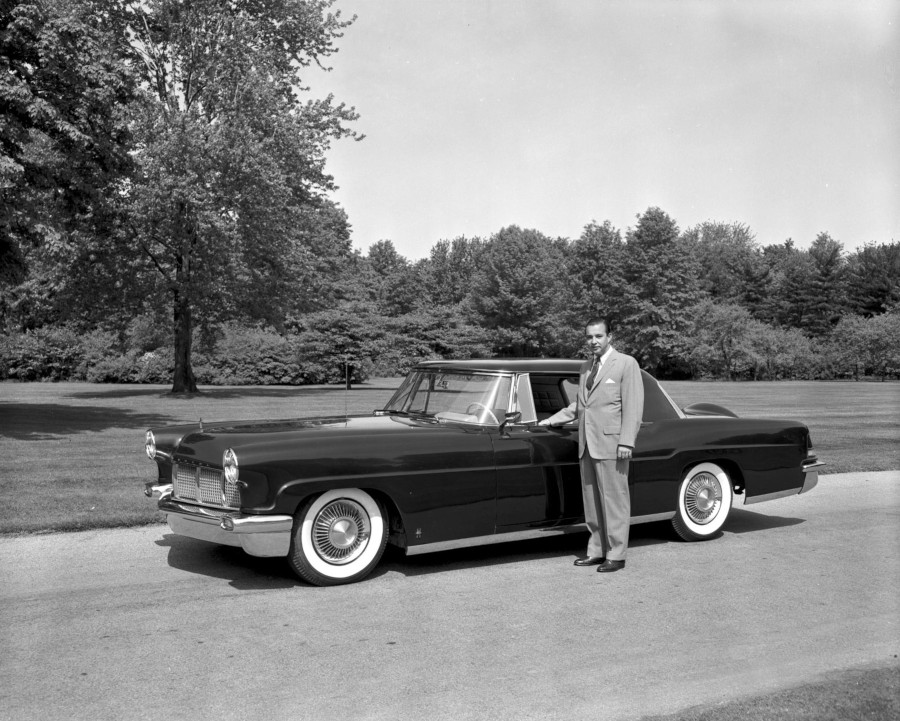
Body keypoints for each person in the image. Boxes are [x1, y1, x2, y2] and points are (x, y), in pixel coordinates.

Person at [539, 318, 644, 572]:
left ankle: (616, 555)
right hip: (587, 444)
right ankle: (596, 550)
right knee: (592, 502)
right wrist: (551, 420)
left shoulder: (626, 364)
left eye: (598, 336)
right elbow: (580, 405)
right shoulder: (586, 366)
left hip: (612, 444)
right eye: (589, 337)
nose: (593, 341)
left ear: (610, 337)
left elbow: (633, 406)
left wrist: (627, 441)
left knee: (614, 501)